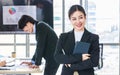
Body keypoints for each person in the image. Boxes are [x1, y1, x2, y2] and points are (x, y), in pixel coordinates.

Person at [54, 5, 100, 75]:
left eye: (80, 17)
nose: (78, 21)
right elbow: (57, 57)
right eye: (74, 19)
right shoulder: (63, 37)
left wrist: (72, 65)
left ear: (85, 17)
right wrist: (80, 57)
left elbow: (94, 61)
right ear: (70, 20)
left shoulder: (93, 38)